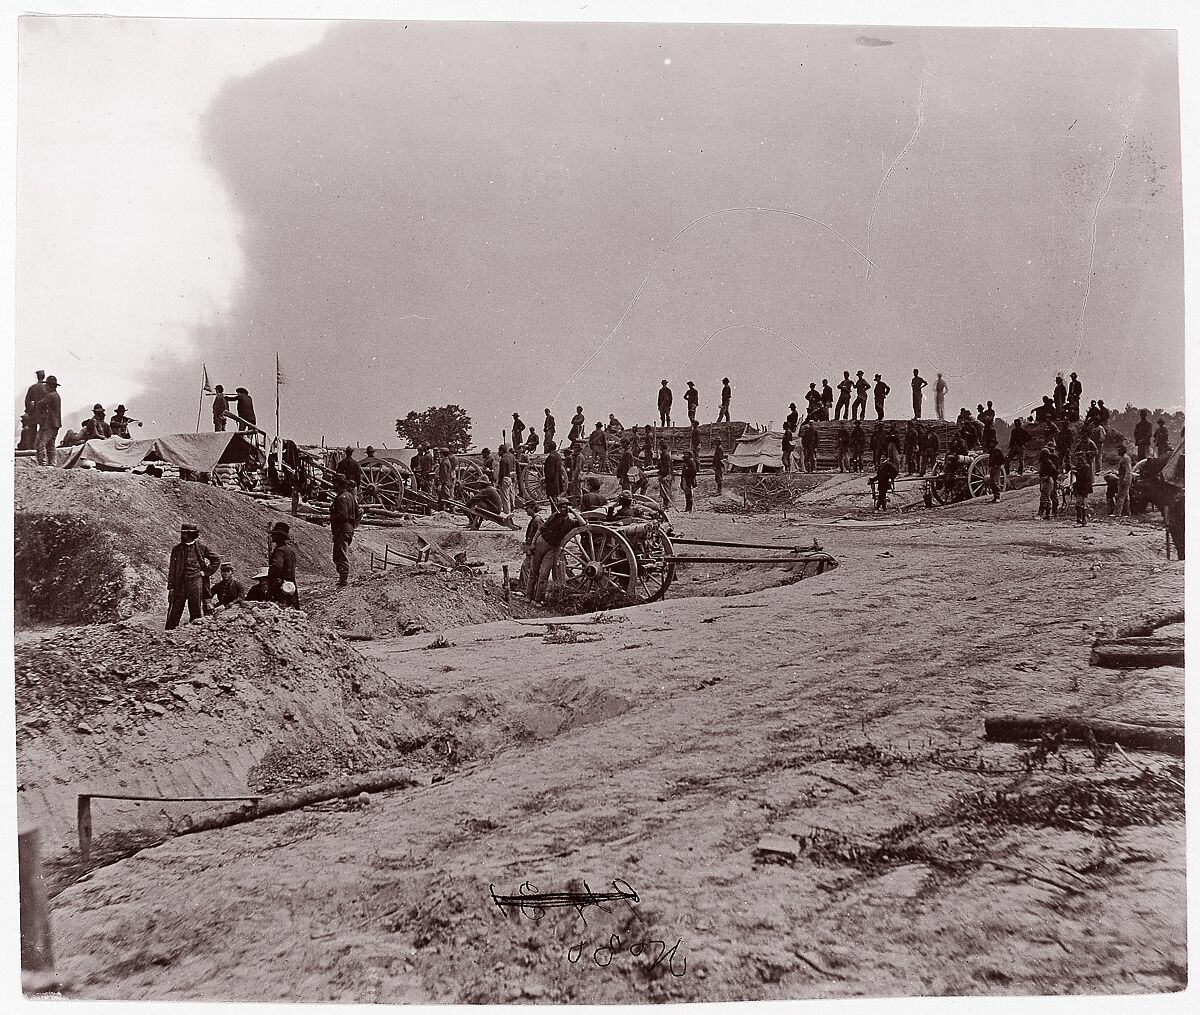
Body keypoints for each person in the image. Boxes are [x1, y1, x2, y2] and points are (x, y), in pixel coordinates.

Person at [527, 500, 585, 603]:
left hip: (553, 549)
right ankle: (528, 596)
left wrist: (574, 512)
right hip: (541, 542)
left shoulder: (570, 522)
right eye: (560, 507)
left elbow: (583, 523)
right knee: (533, 571)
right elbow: (541, 530)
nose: (562, 509)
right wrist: (533, 543)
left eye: (564, 507)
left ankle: (538, 599)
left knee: (544, 574)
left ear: (568, 508)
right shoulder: (554, 517)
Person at [166, 522, 221, 629]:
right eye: (182, 533)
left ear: (192, 535)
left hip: (196, 582)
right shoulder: (176, 549)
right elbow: (172, 568)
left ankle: (195, 631)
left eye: (185, 534)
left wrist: (205, 572)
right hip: (180, 583)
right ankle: (169, 632)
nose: (182, 536)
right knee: (175, 608)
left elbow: (216, 559)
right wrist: (171, 586)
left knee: (195, 608)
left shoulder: (201, 548)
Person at [330, 474, 362, 585]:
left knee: (341, 554)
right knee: (338, 554)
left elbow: (343, 515)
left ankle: (343, 580)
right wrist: (353, 525)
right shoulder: (350, 496)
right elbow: (359, 513)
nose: (333, 485)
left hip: (342, 529)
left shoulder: (341, 498)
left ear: (339, 484)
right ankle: (342, 578)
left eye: (334, 483)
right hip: (348, 529)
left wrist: (332, 518)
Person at [268, 521, 299, 606]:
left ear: (279, 536)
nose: (272, 536)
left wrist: (273, 579)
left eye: (275, 534)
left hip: (281, 586)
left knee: (280, 609)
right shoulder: (290, 551)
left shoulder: (279, 551)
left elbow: (277, 567)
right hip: (291, 585)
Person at [35, 374, 62, 467]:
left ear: (50, 386)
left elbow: (40, 404)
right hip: (56, 424)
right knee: (51, 444)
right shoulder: (56, 396)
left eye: (47, 385)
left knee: (41, 443)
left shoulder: (50, 396)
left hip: (49, 424)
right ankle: (52, 464)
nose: (45, 387)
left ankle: (43, 464)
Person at [1073, 442, 1095, 526]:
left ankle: (1083, 520)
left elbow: (1085, 478)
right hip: (1079, 487)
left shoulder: (1086, 467)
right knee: (1079, 503)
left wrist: (1076, 473)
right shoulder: (1081, 467)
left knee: (1082, 503)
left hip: (1084, 487)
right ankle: (1079, 519)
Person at [1038, 444, 1060, 519]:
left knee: (1048, 497)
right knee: (1046, 497)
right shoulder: (1044, 463)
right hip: (1045, 481)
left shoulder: (1048, 462)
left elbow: (1055, 471)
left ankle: (1050, 512)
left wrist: (1048, 477)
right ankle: (1047, 513)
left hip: (1049, 481)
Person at [1111, 444, 1133, 518]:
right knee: (1126, 496)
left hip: (1124, 479)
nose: (1117, 451)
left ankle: (1117, 513)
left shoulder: (1126, 458)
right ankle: (1127, 513)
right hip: (1122, 478)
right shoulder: (1123, 458)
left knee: (1120, 496)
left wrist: (1125, 479)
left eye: (1119, 450)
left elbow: (1128, 470)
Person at [543, 440, 567, 505]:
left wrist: (546, 482)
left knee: (552, 499)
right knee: (555, 498)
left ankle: (554, 512)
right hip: (557, 480)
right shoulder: (558, 455)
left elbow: (550, 472)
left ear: (550, 447)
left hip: (552, 482)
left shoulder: (551, 456)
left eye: (547, 447)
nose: (546, 448)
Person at [497, 444, 516, 513]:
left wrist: (499, 482)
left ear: (502, 451)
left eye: (499, 451)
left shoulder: (503, 460)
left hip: (504, 479)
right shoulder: (508, 458)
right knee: (508, 495)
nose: (498, 452)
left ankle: (507, 511)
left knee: (505, 497)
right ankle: (510, 510)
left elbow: (502, 473)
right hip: (509, 478)